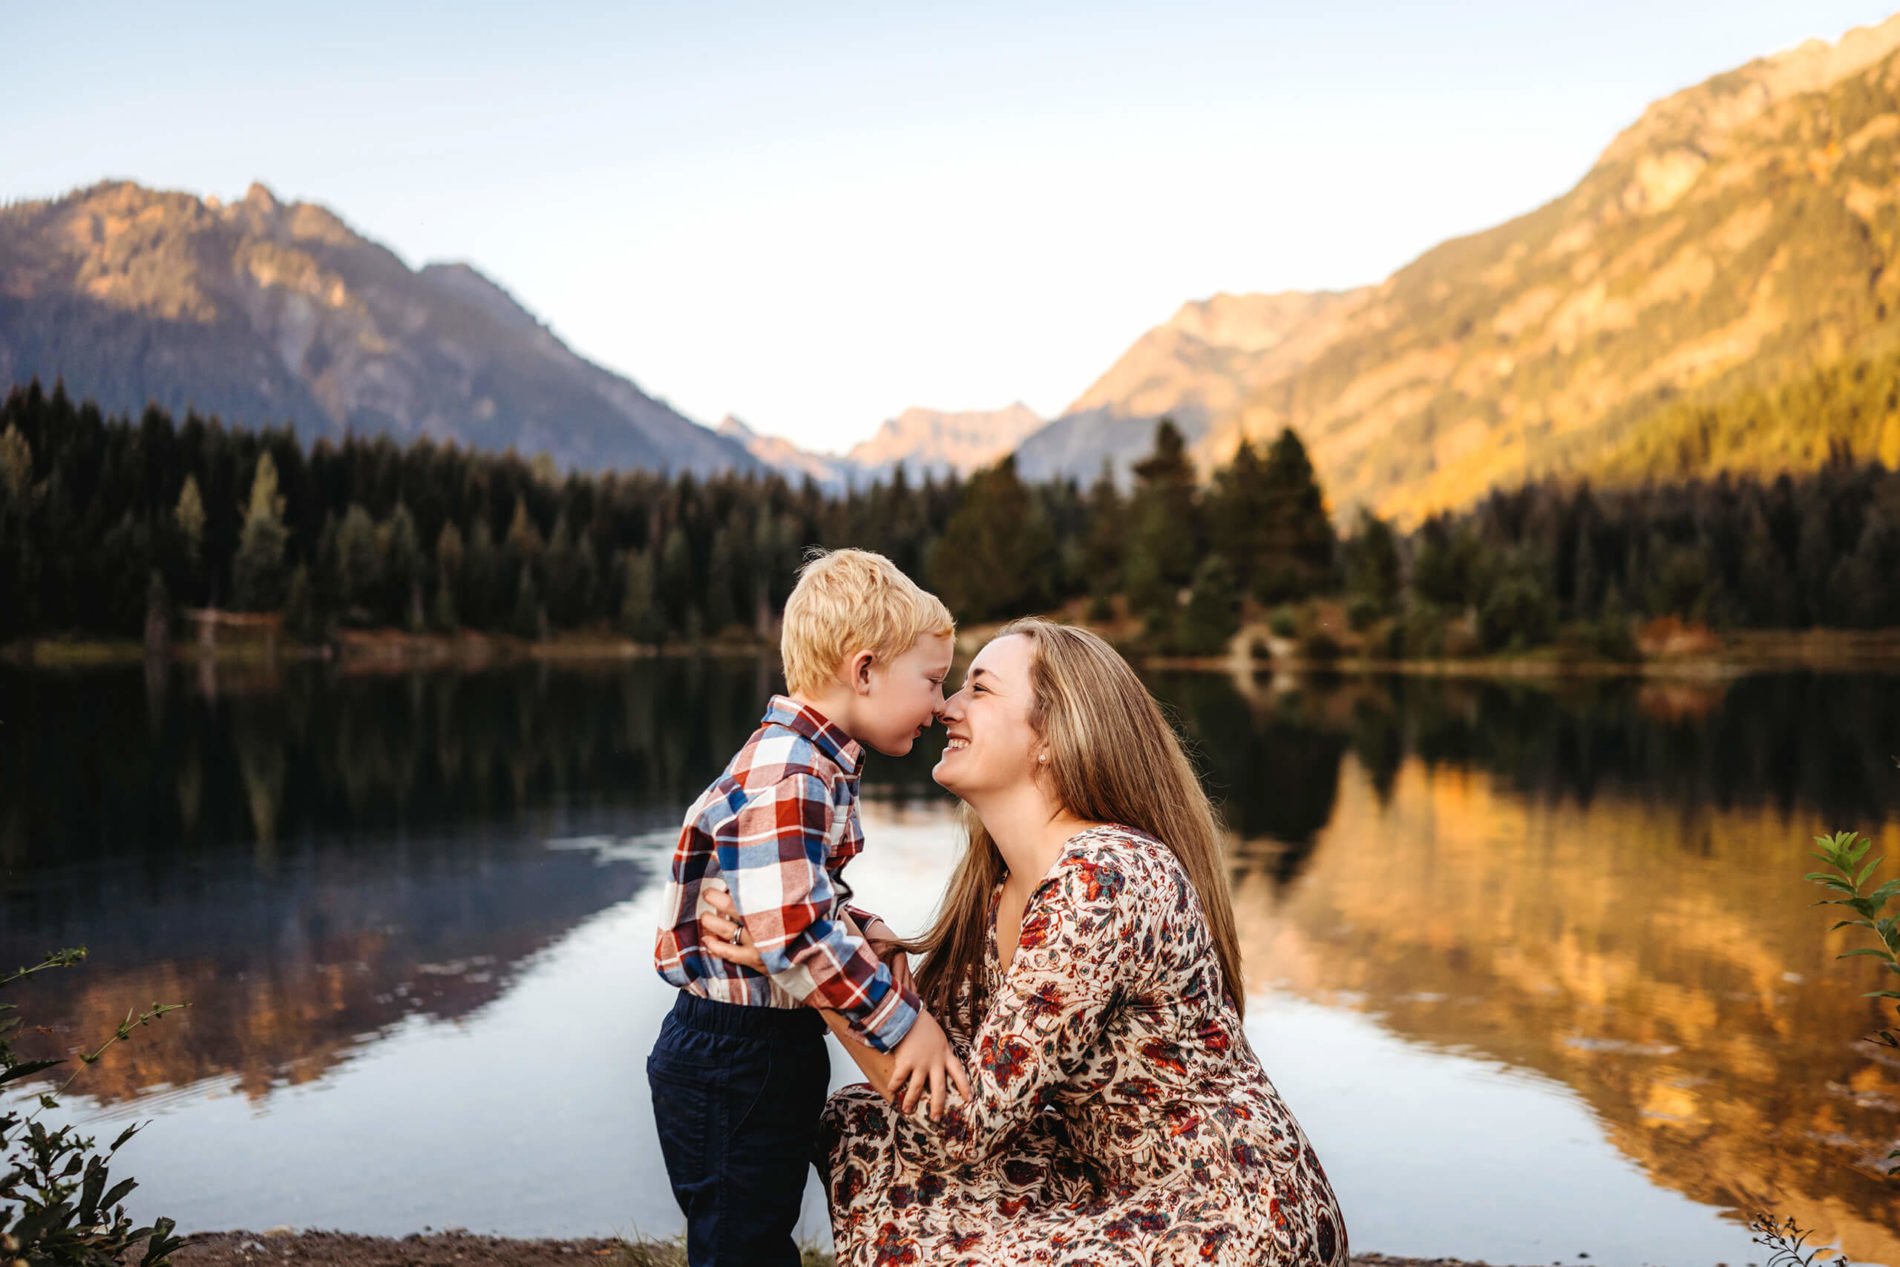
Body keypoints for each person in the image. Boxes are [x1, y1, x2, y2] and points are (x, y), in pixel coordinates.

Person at [703, 617, 1349, 1266]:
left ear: (1051, 734)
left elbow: (969, 1122)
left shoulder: (1103, 876)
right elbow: (941, 1077)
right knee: (870, 1124)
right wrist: (839, 938)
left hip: (1235, 1214)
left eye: (977, 689)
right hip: (1120, 1190)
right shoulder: (1002, 892)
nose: (944, 707)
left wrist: (809, 962)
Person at [648, 548, 971, 1267]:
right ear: (863, 671)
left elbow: (798, 905)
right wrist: (904, 1024)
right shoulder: (793, 774)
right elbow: (793, 932)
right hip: (736, 1055)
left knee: (755, 1234)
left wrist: (861, 928)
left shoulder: (806, 762)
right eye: (932, 680)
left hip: (754, 1048)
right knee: (744, 1245)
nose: (941, 704)